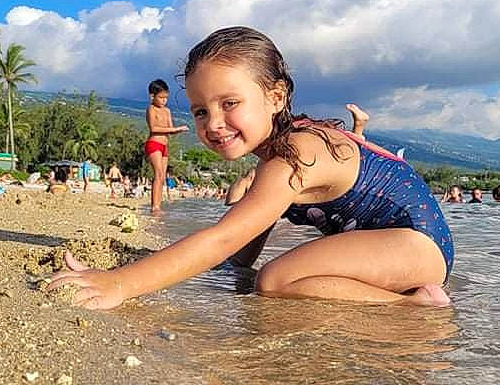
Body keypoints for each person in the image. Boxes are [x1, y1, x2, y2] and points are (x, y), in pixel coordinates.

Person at [48, 26, 453, 309]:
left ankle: (413, 305)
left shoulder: (294, 156)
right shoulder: (273, 158)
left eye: (230, 103)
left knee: (275, 281)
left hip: (416, 243)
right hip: (396, 245)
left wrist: (120, 282)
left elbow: (221, 239)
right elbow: (241, 245)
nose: (213, 123)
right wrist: (203, 269)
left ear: (276, 97)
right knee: (260, 276)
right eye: (201, 111)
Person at [222, 103, 373, 269]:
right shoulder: (313, 161)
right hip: (366, 233)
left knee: (271, 274)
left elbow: (240, 235)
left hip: (373, 235)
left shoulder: (284, 168)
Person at [144, 79, 190, 212]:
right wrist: (175, 129)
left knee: (163, 177)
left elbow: (170, 130)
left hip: (164, 145)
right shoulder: (151, 109)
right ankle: (155, 207)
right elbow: (153, 128)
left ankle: (158, 204)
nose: (164, 100)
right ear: (152, 96)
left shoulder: (167, 111)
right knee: (158, 174)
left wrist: (178, 130)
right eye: (161, 97)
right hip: (154, 143)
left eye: (166, 98)